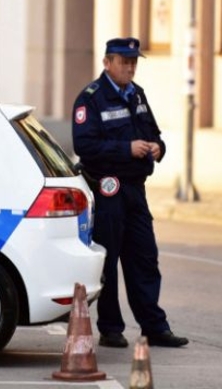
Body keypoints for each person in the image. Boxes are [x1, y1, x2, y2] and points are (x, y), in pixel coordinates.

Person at [71, 37, 189, 349]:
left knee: (145, 259)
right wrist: (127, 148)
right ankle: (111, 329)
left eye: (134, 62)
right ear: (107, 63)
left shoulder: (137, 94)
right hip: (108, 189)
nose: (130, 67)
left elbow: (154, 133)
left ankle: (154, 327)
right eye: (124, 62)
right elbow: (84, 146)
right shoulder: (91, 99)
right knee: (109, 262)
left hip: (136, 190)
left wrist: (156, 148)